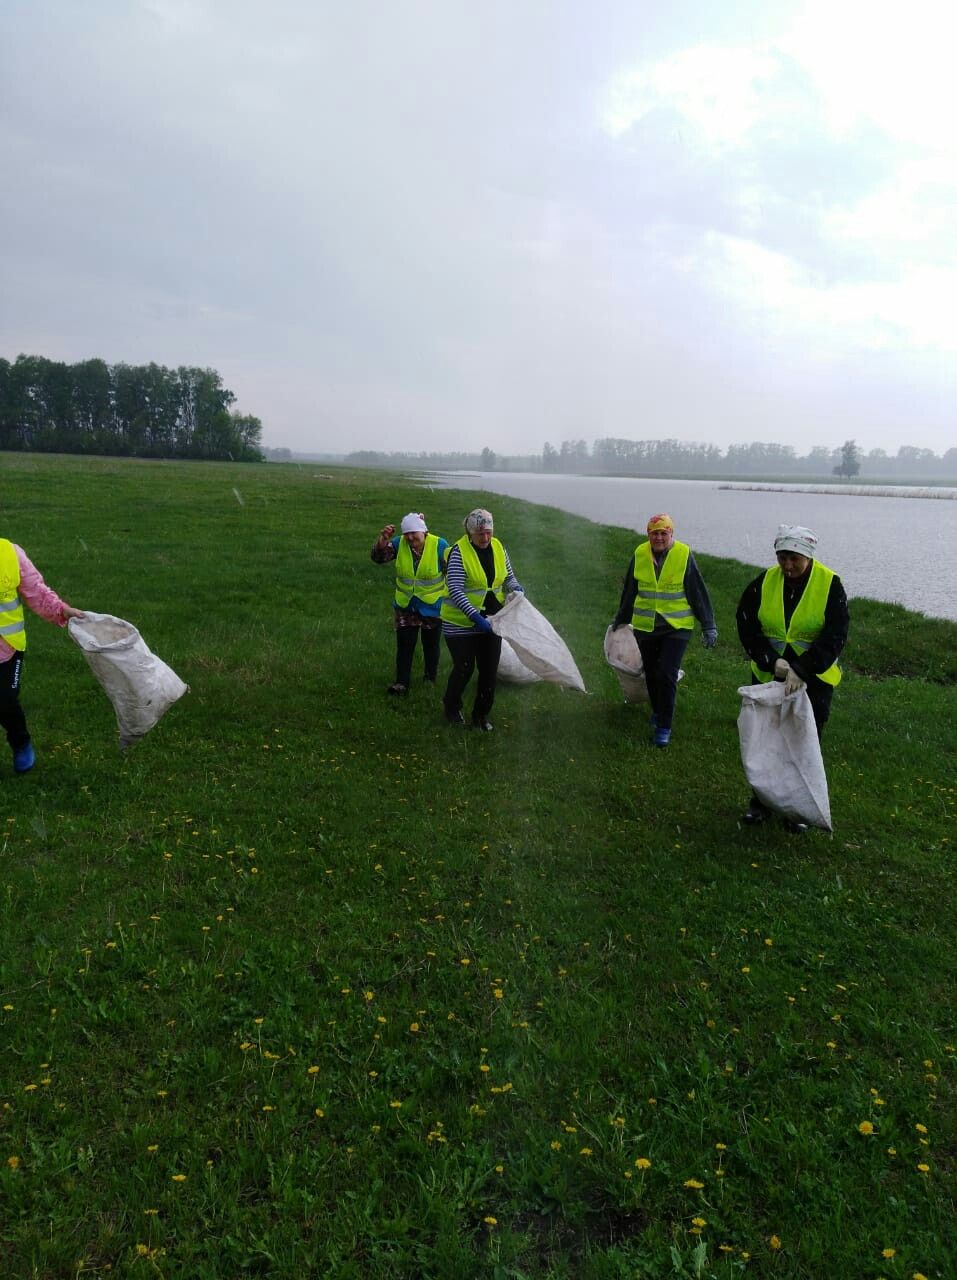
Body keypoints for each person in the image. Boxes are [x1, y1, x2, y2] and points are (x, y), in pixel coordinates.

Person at [736, 524, 849, 831]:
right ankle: (760, 803)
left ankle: (798, 811)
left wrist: (803, 668)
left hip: (815, 680)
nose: (787, 566)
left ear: (808, 556)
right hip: (769, 675)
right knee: (766, 739)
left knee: (803, 742)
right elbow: (746, 624)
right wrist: (772, 662)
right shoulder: (764, 582)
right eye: (782, 557)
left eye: (794, 558)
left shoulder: (830, 584)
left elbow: (836, 635)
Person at [612, 513, 717, 747]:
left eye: (663, 533)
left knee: (667, 674)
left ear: (671, 534)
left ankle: (664, 727)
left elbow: (697, 591)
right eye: (654, 533)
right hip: (645, 626)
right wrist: (621, 618)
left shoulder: (683, 555)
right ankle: (658, 711)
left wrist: (708, 625)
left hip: (676, 627)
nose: (659, 538)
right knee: (651, 672)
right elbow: (630, 589)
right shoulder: (640, 553)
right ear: (648, 534)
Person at [0, 538, 86, 774]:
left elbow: (36, 591)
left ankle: (21, 742)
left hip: (6, 649)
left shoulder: (10, 553)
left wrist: (61, 610)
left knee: (4, 700)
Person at [440, 508, 523, 731]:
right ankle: (451, 706)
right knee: (464, 667)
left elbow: (509, 575)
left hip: (493, 619)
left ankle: (480, 716)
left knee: (489, 670)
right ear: (470, 533)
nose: (485, 538)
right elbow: (455, 589)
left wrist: (515, 588)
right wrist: (475, 616)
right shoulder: (459, 552)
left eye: (488, 532)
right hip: (460, 622)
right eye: (480, 534)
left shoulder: (498, 547)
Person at [371, 513, 450, 695]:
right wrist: (383, 540)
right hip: (405, 606)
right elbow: (378, 558)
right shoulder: (399, 544)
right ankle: (401, 683)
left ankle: (430, 678)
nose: (410, 537)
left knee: (431, 645)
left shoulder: (440, 545)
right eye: (407, 533)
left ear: (424, 531)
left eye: (414, 533)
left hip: (432, 606)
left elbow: (453, 572)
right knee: (405, 645)